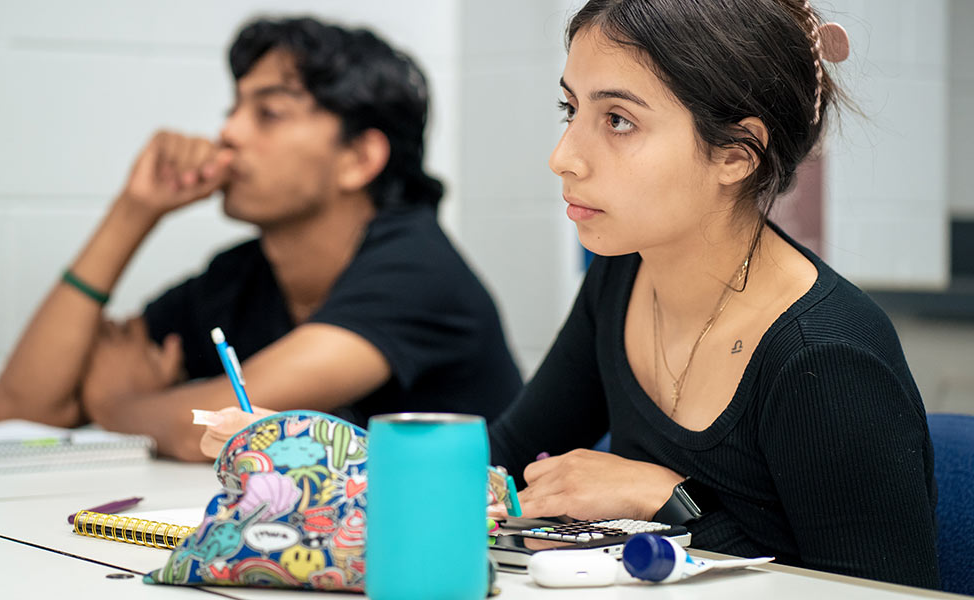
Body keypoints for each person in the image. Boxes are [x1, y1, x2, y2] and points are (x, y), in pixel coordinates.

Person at [209, 0, 938, 588]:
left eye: (617, 120)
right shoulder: (623, 274)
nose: (564, 157)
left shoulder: (826, 358)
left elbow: (871, 590)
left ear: (735, 154)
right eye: (572, 111)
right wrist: (310, 454)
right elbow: (504, 458)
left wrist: (663, 498)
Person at [0, 18, 521, 462]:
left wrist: (116, 403)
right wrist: (134, 212)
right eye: (233, 109)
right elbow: (21, 408)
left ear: (359, 158)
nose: (229, 133)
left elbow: (219, 427)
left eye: (267, 113)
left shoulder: (416, 269)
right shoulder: (243, 274)